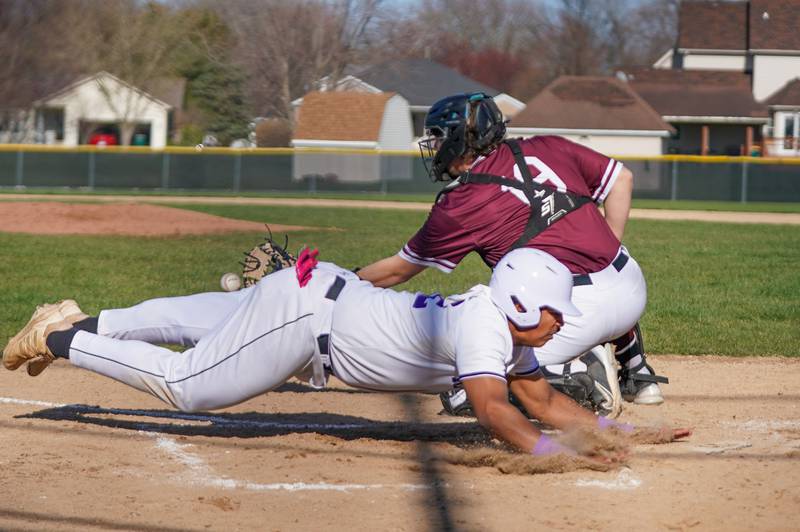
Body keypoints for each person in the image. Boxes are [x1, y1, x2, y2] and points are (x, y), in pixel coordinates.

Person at [2, 248, 688, 457]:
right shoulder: (489, 328)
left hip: (316, 296)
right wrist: (551, 457)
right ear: (517, 304)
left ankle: (82, 320)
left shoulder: (500, 323)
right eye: (552, 311)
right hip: (305, 320)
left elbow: (538, 400)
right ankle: (62, 337)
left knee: (192, 318)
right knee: (189, 387)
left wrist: (620, 433)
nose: (562, 321)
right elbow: (495, 412)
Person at [356, 92, 668, 411]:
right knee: (590, 244)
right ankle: (637, 372)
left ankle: (586, 376)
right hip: (631, 286)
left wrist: (345, 282)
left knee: (467, 392)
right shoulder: (547, 145)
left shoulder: (461, 203)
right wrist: (608, 249)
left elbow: (398, 270)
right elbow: (622, 179)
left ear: (459, 139)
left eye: (437, 137)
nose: (433, 147)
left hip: (573, 312)